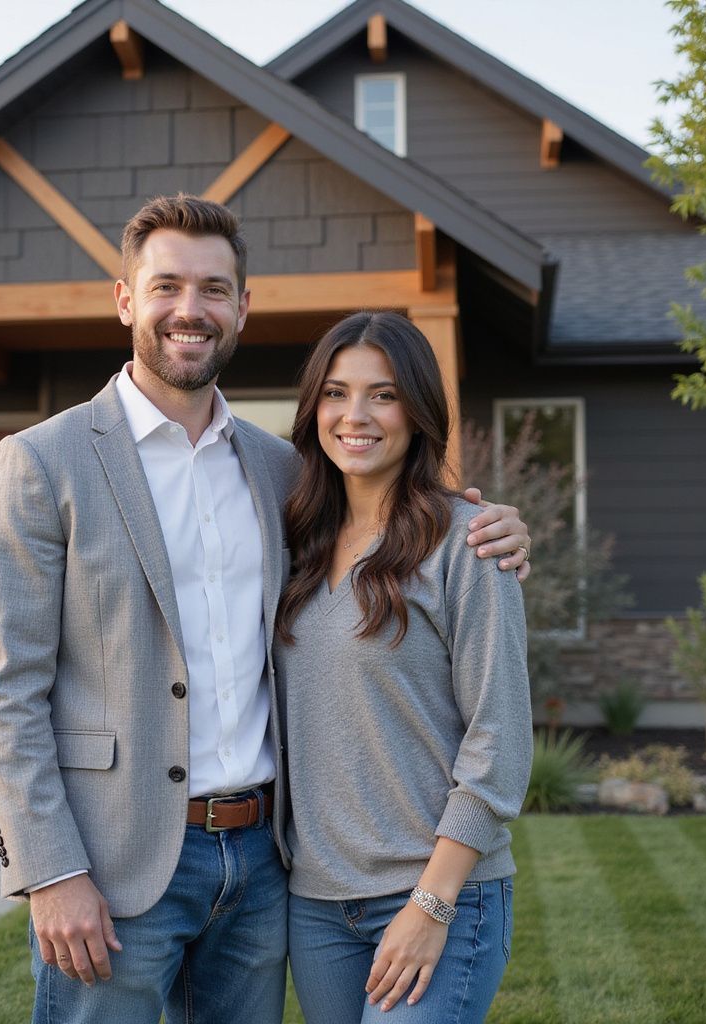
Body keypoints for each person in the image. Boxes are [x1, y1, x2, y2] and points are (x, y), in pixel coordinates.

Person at [0, 195, 531, 1024]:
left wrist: (494, 528)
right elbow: (2, 687)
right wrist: (49, 872)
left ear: (242, 307)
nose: (189, 310)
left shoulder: (279, 474)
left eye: (213, 289)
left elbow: (406, 531)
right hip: (115, 867)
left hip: (265, 867)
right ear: (126, 300)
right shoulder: (41, 464)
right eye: (165, 287)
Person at [275, 311, 534, 1024]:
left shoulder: (470, 544)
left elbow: (500, 740)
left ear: (418, 411)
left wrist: (431, 903)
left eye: (382, 395)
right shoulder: (293, 540)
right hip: (318, 905)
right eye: (335, 393)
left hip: (439, 891)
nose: (355, 415)